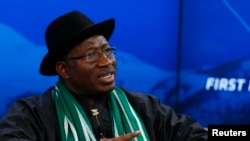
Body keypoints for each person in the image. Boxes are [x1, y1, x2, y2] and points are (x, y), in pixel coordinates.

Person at [0, 10, 208, 141]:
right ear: (64, 69)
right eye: (91, 55)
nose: (107, 62)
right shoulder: (31, 114)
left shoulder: (144, 107)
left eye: (108, 51)